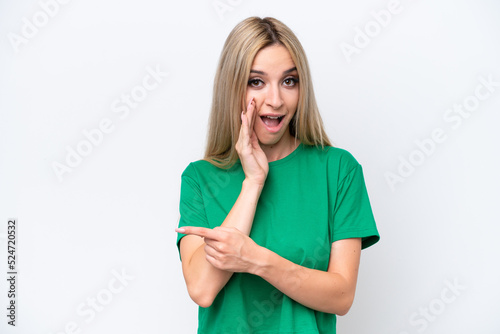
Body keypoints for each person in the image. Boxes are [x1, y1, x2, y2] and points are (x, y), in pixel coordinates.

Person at [175, 16, 380, 334]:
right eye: (256, 82)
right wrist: (253, 182)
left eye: (289, 81)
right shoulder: (200, 179)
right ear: (233, 87)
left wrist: (254, 259)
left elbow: (341, 296)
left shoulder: (338, 170)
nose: (276, 99)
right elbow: (202, 288)